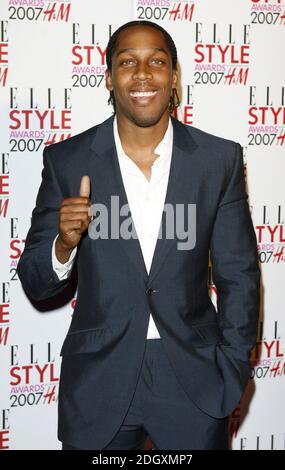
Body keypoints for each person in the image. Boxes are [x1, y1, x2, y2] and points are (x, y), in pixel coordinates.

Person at [17, 20, 260, 450]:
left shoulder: (217, 160)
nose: (143, 73)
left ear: (174, 76)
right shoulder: (68, 161)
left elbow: (239, 276)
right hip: (99, 379)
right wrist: (63, 245)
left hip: (193, 378)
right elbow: (36, 281)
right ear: (109, 77)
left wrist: (233, 365)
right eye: (127, 62)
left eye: (157, 62)